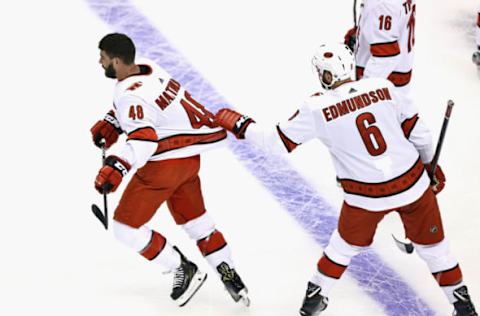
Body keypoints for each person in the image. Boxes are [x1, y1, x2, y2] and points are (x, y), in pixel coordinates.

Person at [214, 43, 477, 316]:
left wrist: (240, 123)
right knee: (436, 250)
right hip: (412, 183)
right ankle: (464, 306)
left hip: (366, 196)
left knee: (342, 247)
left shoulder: (316, 106)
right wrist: (430, 164)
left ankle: (314, 300)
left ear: (326, 74)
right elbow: (419, 134)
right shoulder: (384, 87)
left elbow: (275, 143)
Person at [90, 33, 249, 307]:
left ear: (116, 61)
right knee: (197, 222)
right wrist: (113, 121)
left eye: (103, 58)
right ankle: (230, 274)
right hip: (189, 161)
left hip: (163, 166)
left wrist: (116, 167)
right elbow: (150, 107)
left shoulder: (129, 96)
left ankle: (181, 267)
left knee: (125, 228)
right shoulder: (149, 68)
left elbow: (144, 140)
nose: (99, 62)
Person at [344, 0, 416, 94]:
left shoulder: (381, 5)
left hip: (383, 93)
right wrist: (365, 31)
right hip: (397, 83)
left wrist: (359, 93)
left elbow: (385, 58)